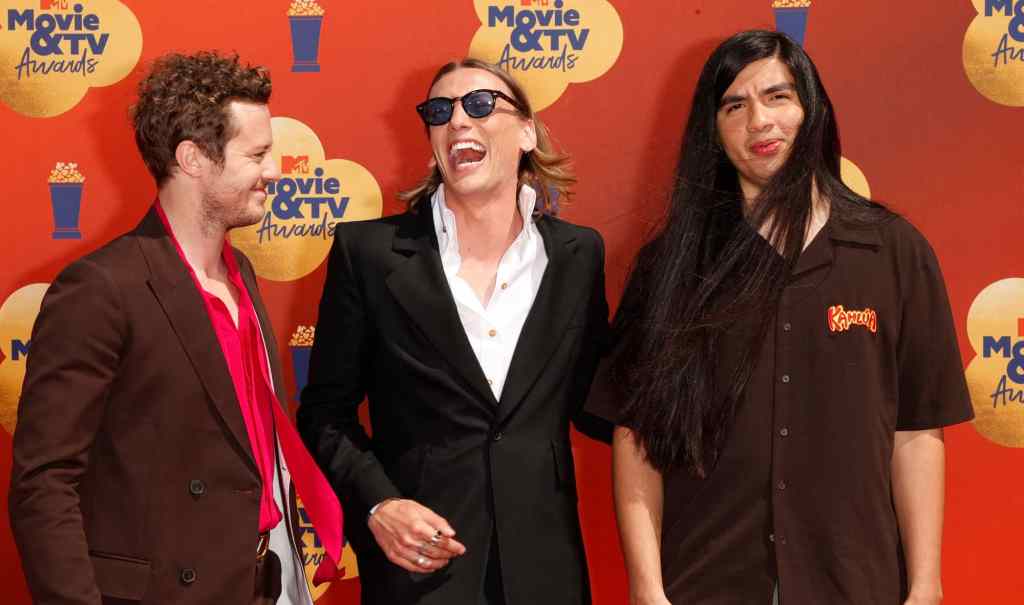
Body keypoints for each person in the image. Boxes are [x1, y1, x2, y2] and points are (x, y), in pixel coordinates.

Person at [587, 30, 973, 605]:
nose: (759, 122)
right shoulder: (671, 266)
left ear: (811, 110)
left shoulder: (893, 252)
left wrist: (924, 585)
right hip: (707, 581)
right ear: (713, 133)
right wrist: (648, 589)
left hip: (853, 582)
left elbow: (916, 434)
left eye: (778, 97)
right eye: (734, 105)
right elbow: (638, 433)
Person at [9, 51, 342, 604]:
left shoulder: (244, 276)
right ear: (193, 159)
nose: (275, 170)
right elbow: (43, 484)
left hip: (259, 581)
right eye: (257, 154)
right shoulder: (101, 289)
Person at [297, 58, 609, 605]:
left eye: (482, 104)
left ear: (527, 132)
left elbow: (598, 402)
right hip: (420, 574)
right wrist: (379, 506)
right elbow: (325, 415)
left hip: (546, 572)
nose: (459, 121)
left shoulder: (578, 256)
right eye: (440, 111)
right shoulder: (367, 253)